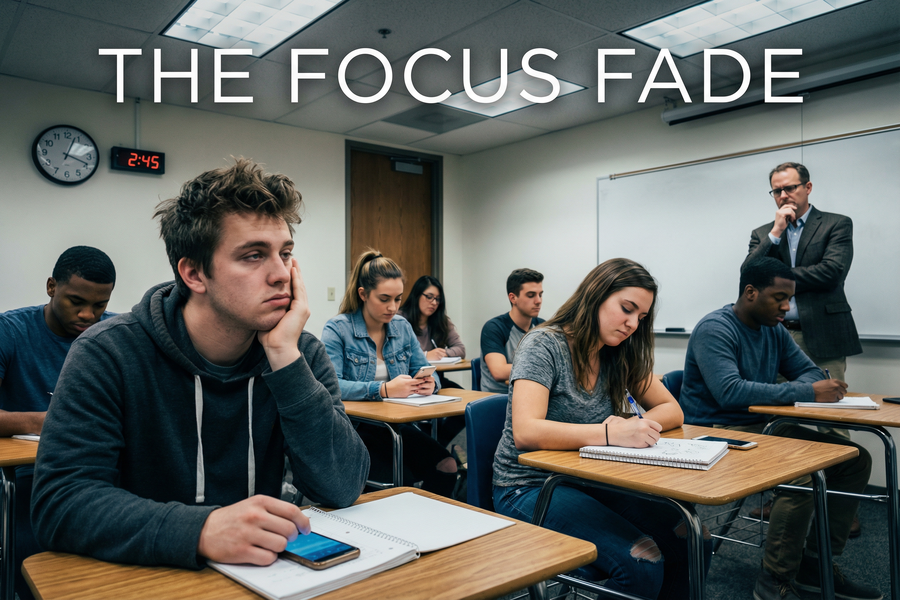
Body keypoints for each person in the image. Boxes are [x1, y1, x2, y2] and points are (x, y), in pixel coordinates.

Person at [32, 159, 369, 570]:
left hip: (262, 577)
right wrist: (202, 529)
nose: (282, 274)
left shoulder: (299, 354)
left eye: (285, 254)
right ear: (193, 273)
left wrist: (285, 360)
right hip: (147, 577)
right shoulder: (108, 353)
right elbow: (61, 503)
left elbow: (342, 486)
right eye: (253, 256)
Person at [492, 258, 710, 600]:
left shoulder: (616, 351)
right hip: (530, 487)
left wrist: (634, 425)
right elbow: (526, 431)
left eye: (641, 317)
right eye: (626, 309)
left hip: (591, 478)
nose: (632, 324)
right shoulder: (544, 344)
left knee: (692, 537)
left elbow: (673, 410)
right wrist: (610, 434)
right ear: (596, 295)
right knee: (643, 560)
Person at [680, 257, 878, 600]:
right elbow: (730, 392)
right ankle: (774, 580)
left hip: (761, 429)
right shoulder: (715, 328)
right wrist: (805, 390)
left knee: (854, 459)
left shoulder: (774, 330)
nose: (787, 307)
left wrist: (810, 385)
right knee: (800, 476)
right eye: (779, 297)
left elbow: (814, 372)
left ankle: (814, 564)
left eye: (790, 298)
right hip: (712, 433)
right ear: (751, 292)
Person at [744, 161, 862, 534]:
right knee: (782, 417)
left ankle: (841, 507)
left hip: (823, 332)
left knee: (833, 421)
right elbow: (748, 274)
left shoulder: (836, 224)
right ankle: (785, 499)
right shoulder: (764, 232)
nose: (784, 196)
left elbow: (832, 271)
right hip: (776, 334)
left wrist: (773, 278)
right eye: (777, 191)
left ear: (808, 188)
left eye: (790, 188)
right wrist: (776, 232)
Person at [0, 245, 115, 598]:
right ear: (52, 287)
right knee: (36, 571)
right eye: (76, 301)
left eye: (100, 305)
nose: (88, 315)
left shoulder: (116, 335)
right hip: (28, 480)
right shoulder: (11, 331)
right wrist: (49, 421)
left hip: (101, 473)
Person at [322, 251, 458, 497]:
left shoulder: (401, 326)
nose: (393, 307)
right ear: (363, 294)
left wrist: (431, 383)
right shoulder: (338, 329)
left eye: (398, 299)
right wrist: (382, 390)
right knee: (402, 483)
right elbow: (332, 387)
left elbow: (424, 369)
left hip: (395, 426)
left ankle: (426, 524)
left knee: (447, 466)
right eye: (384, 299)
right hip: (354, 430)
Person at [399, 275, 466, 446]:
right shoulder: (400, 320)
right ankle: (431, 443)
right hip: (408, 381)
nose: (434, 303)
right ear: (416, 296)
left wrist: (443, 353)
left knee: (467, 407)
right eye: (429, 297)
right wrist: (425, 355)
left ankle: (438, 443)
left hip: (436, 379)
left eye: (437, 299)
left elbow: (460, 349)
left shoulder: (441, 321)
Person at [480, 268, 544, 393]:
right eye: (531, 295)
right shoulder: (494, 327)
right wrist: (541, 367)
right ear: (513, 298)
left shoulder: (542, 327)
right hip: (498, 399)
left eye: (540, 294)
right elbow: (499, 371)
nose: (538, 301)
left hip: (529, 394)